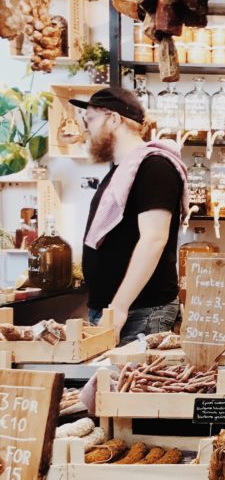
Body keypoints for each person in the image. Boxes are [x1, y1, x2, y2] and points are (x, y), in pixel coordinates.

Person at [71, 87, 187, 344]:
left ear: (113, 119)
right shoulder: (122, 172)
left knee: (133, 384)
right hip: (118, 310)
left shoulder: (154, 166)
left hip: (140, 311)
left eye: (90, 120)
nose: (85, 129)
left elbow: (153, 240)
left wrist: (119, 308)